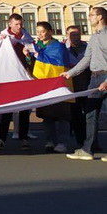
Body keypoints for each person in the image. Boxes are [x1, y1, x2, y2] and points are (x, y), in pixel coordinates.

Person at [63, 6, 107, 160]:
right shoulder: (94, 38)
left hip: (105, 77)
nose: (89, 17)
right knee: (90, 114)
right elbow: (86, 59)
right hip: (94, 79)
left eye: (91, 15)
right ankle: (88, 149)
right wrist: (70, 73)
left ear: (100, 17)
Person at [31, 21, 71, 153]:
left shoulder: (58, 46)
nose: (40, 34)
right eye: (38, 32)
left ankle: (62, 142)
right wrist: (29, 55)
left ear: (50, 32)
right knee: (47, 115)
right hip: (44, 85)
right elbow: (35, 64)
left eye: (42, 31)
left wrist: (39, 56)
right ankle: (50, 141)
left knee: (62, 115)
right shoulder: (38, 46)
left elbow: (58, 62)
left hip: (58, 84)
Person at [0, 14, 33, 150]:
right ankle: (1, 138)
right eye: (16, 24)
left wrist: (28, 55)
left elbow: (31, 58)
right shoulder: (3, 37)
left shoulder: (27, 37)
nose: (19, 27)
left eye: (21, 24)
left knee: (24, 109)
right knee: (7, 110)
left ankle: (23, 138)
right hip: (9, 76)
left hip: (23, 75)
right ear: (10, 24)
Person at [64, 24, 90, 148]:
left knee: (89, 114)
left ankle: (91, 140)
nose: (75, 37)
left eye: (77, 34)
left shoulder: (87, 47)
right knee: (76, 114)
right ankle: (81, 140)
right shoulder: (64, 49)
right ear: (67, 35)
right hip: (71, 86)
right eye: (72, 34)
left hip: (87, 84)